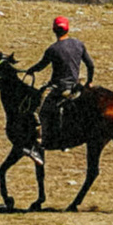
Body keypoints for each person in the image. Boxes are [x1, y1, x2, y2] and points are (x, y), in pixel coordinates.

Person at [23, 13, 92, 149]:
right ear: (68, 29)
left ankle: (39, 140)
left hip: (59, 88)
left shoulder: (53, 49)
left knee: (37, 110)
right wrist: (89, 81)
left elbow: (41, 65)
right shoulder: (78, 44)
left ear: (54, 30)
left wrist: (31, 70)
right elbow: (91, 65)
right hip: (75, 86)